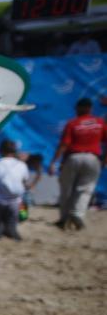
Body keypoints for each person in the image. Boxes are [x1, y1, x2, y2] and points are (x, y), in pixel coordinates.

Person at [48, 97, 105, 230]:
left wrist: (54, 162)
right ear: (90, 109)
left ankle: (63, 219)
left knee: (66, 189)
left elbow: (64, 145)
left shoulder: (73, 123)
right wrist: (104, 160)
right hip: (93, 158)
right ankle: (77, 214)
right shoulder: (100, 123)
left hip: (73, 157)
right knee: (85, 189)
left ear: (78, 108)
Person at [0, 140, 31, 241]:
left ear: (0, 151)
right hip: (17, 205)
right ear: (14, 152)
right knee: (17, 215)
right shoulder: (22, 165)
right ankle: (10, 227)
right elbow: (25, 184)